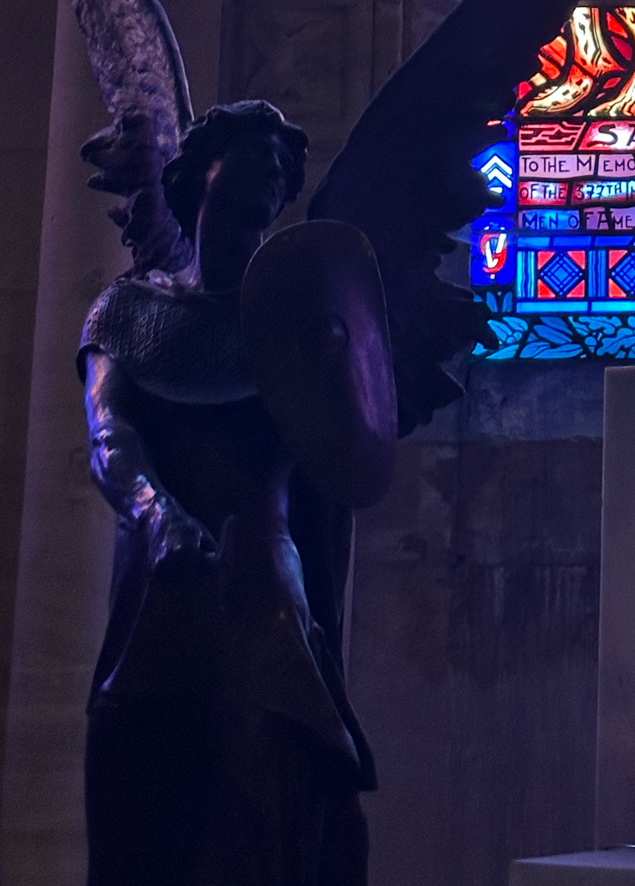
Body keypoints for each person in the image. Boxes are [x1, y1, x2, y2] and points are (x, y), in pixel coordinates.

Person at [80, 101, 373, 886]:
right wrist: (158, 515)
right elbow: (110, 438)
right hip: (161, 586)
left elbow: (342, 457)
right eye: (250, 153)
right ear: (193, 175)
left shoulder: (299, 326)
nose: (270, 171)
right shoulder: (129, 310)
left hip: (268, 590)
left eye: (281, 166)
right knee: (140, 789)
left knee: (266, 807)